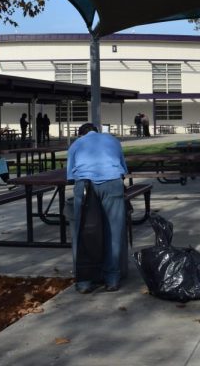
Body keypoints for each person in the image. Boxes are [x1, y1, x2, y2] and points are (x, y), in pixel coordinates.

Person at [67, 123, 128, 294]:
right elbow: (123, 167)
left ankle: (85, 280)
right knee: (114, 231)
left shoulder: (76, 144)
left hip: (85, 185)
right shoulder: (113, 140)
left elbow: (71, 175)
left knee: (84, 231)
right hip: (113, 182)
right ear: (97, 131)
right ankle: (112, 278)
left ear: (81, 134)